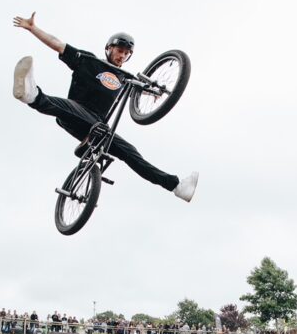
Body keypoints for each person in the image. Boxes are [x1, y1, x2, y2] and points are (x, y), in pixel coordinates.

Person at [12, 13, 198, 202]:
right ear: (109, 48)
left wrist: (163, 92)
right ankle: (32, 95)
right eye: (120, 50)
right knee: (65, 106)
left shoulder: (124, 77)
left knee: (131, 153)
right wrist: (33, 28)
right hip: (74, 113)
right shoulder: (89, 61)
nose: (122, 56)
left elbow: (142, 93)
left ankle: (177, 186)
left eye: (127, 53)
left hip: (98, 127)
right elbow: (57, 43)